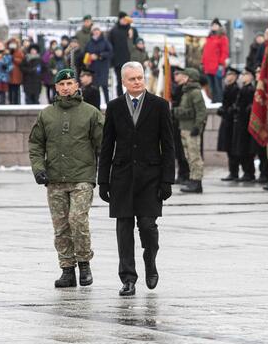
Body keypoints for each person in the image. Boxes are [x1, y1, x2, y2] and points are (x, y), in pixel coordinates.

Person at [98, 61, 175, 297]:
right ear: (123, 82)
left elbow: (169, 146)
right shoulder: (114, 107)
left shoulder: (159, 105)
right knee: (124, 228)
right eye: (132, 79)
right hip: (122, 176)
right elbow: (107, 145)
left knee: (148, 227)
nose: (138, 82)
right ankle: (128, 278)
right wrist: (103, 180)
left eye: (140, 77)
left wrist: (167, 180)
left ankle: (150, 261)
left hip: (150, 177)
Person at [29, 68, 104, 288]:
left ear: (77, 86)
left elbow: (104, 143)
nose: (66, 88)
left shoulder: (90, 113)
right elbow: (35, 143)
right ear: (56, 88)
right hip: (55, 178)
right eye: (62, 84)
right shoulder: (46, 114)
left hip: (82, 176)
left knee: (77, 219)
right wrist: (38, 167)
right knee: (61, 226)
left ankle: (84, 263)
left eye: (70, 83)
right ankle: (67, 269)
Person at [173, 67, 207, 193]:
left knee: (194, 156)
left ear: (190, 78)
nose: (182, 77)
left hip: (191, 129)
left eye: (185, 76)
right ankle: (193, 179)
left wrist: (197, 127)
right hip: (184, 128)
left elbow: (201, 112)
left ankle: (197, 182)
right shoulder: (187, 92)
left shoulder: (195, 92)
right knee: (188, 156)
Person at [231, 67, 257, 182]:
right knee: (240, 149)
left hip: (245, 124)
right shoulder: (243, 89)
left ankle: (249, 172)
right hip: (240, 123)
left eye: (245, 74)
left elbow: (249, 107)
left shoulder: (250, 89)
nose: (243, 76)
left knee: (245, 149)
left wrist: (243, 109)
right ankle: (246, 172)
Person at [108, 12, 138, 99]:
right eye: (123, 19)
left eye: (126, 19)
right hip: (118, 61)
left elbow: (137, 43)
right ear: (120, 19)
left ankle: (133, 96)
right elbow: (110, 46)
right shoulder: (113, 31)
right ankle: (121, 98)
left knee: (132, 80)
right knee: (119, 81)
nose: (125, 21)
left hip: (130, 60)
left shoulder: (132, 30)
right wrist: (112, 60)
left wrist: (132, 36)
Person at [218, 67, 241, 181]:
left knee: (232, 148)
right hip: (227, 121)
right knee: (228, 148)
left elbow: (235, 105)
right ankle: (232, 171)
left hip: (233, 123)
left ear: (235, 77)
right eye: (227, 75)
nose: (227, 77)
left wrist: (228, 110)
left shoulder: (236, 89)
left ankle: (234, 172)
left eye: (230, 75)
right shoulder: (227, 88)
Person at [202, 18, 230, 103]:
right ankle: (214, 100)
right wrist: (203, 62)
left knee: (218, 85)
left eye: (215, 25)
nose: (213, 27)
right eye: (212, 25)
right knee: (211, 86)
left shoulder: (222, 38)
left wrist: (221, 63)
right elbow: (205, 52)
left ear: (219, 27)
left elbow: (224, 51)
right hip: (208, 67)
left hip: (217, 66)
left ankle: (220, 101)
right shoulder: (209, 38)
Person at [87, 26, 113, 103]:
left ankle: (108, 105)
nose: (96, 31)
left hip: (103, 67)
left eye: (97, 30)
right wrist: (88, 58)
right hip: (93, 68)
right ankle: (96, 106)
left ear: (100, 31)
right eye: (94, 30)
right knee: (95, 88)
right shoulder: (90, 42)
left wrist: (99, 56)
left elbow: (110, 53)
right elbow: (86, 52)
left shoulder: (105, 41)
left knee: (105, 87)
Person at [7, 38, 24, 104]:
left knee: (16, 90)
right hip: (9, 75)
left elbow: (21, 61)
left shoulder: (19, 52)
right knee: (10, 90)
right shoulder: (7, 51)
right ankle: (11, 102)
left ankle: (17, 103)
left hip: (17, 75)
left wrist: (13, 58)